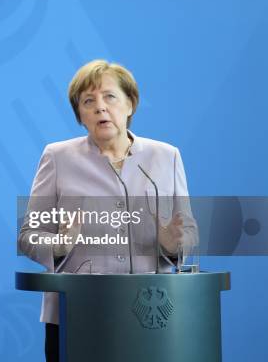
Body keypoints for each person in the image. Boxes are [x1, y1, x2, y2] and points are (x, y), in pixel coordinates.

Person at [17, 60, 197, 361]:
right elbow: (28, 236)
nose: (100, 107)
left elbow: (187, 231)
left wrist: (173, 244)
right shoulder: (58, 157)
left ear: (130, 104)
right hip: (77, 312)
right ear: (80, 115)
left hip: (151, 314)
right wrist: (59, 245)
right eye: (88, 101)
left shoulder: (166, 157)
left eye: (109, 96)